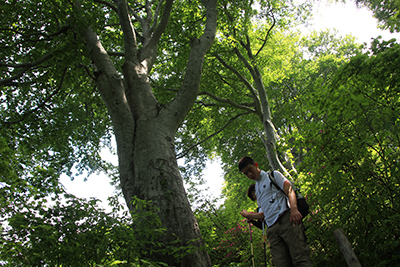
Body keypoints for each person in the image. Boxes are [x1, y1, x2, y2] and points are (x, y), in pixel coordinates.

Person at [238, 156, 312, 267]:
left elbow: (289, 190)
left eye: (250, 170)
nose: (249, 174)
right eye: (245, 173)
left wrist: (294, 209)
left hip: (287, 220)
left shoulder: (272, 175)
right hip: (272, 229)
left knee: (300, 258)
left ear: (256, 165)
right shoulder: (257, 189)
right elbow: (264, 214)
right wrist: (250, 216)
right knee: (281, 263)